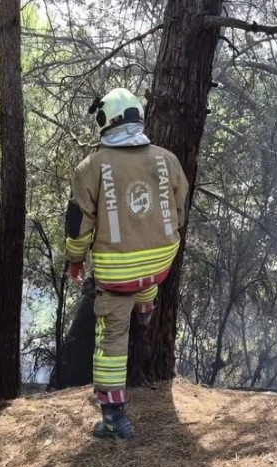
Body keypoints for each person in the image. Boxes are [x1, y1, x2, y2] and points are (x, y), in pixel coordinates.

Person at [65, 88, 189, 439]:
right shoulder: (168, 159)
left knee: (111, 339)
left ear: (105, 120)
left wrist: (76, 260)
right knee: (145, 278)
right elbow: (180, 208)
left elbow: (79, 225)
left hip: (118, 272)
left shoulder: (90, 168)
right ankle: (146, 305)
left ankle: (114, 416)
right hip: (160, 260)